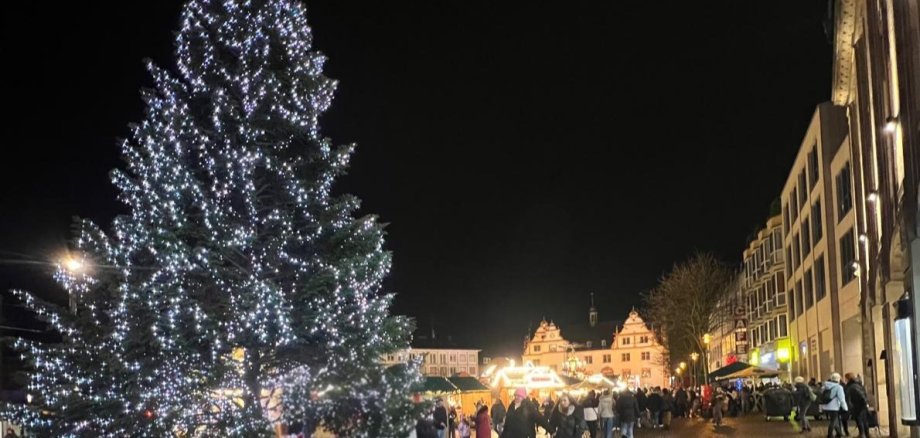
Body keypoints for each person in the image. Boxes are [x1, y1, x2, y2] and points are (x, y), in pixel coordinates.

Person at [819, 372, 849, 438]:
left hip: (826, 406)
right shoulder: (839, 387)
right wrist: (845, 408)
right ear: (838, 379)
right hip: (834, 407)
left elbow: (821, 396)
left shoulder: (825, 386)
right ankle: (830, 434)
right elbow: (842, 399)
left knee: (834, 420)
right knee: (833, 421)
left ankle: (839, 433)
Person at [845, 373, 870, 438]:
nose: (845, 380)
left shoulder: (853, 386)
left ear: (848, 378)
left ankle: (862, 434)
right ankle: (866, 434)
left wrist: (865, 403)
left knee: (860, 420)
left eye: (846, 378)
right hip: (859, 405)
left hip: (858, 405)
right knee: (863, 420)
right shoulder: (857, 384)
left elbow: (861, 395)